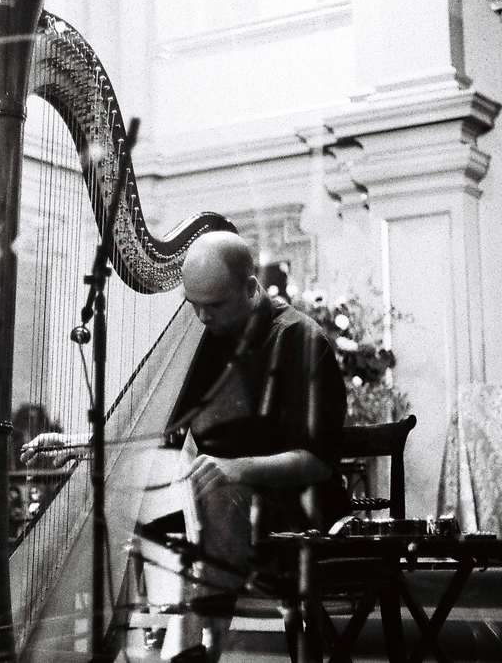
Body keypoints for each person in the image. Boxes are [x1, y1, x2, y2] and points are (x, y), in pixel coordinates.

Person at [21, 231, 349, 663]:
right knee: (125, 484)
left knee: (212, 490)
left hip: (297, 511)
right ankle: (103, 646)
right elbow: (161, 429)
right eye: (193, 303)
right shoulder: (202, 339)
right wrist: (83, 443)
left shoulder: (300, 341)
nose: (201, 316)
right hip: (215, 506)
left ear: (250, 289)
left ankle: (192, 649)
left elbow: (319, 463)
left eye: (214, 304)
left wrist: (237, 468)